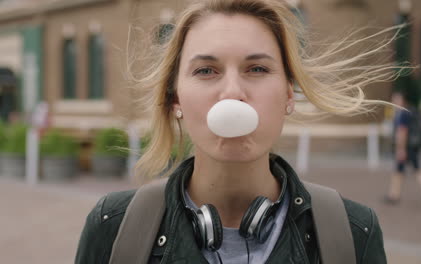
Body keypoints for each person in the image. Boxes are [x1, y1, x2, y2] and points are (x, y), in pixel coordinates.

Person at [76, 0, 392, 263]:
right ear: (175, 99)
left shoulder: (354, 233)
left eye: (257, 69)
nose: (232, 92)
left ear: (288, 94)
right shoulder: (112, 227)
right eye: (206, 70)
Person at [385, 84, 421, 207]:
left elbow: (402, 132)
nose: (394, 101)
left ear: (402, 100)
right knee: (402, 170)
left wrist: (401, 149)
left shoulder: (402, 114)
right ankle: (394, 195)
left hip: (406, 147)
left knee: (415, 169)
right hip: (412, 146)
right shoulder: (410, 111)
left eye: (396, 98)